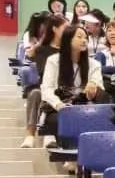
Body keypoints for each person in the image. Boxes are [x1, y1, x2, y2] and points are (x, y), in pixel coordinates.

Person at [39, 26, 109, 146]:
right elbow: (47, 89)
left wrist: (93, 89)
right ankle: (55, 140)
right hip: (59, 106)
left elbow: (99, 87)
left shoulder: (94, 64)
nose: (84, 40)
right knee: (60, 119)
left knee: (103, 100)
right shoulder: (53, 61)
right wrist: (59, 105)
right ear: (68, 40)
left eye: (86, 38)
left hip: (83, 106)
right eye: (79, 37)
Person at [20, 14, 67, 148]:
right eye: (65, 28)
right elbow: (43, 72)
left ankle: (50, 134)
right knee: (36, 94)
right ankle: (30, 134)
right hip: (45, 86)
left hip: (65, 88)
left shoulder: (69, 50)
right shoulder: (41, 50)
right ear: (55, 29)